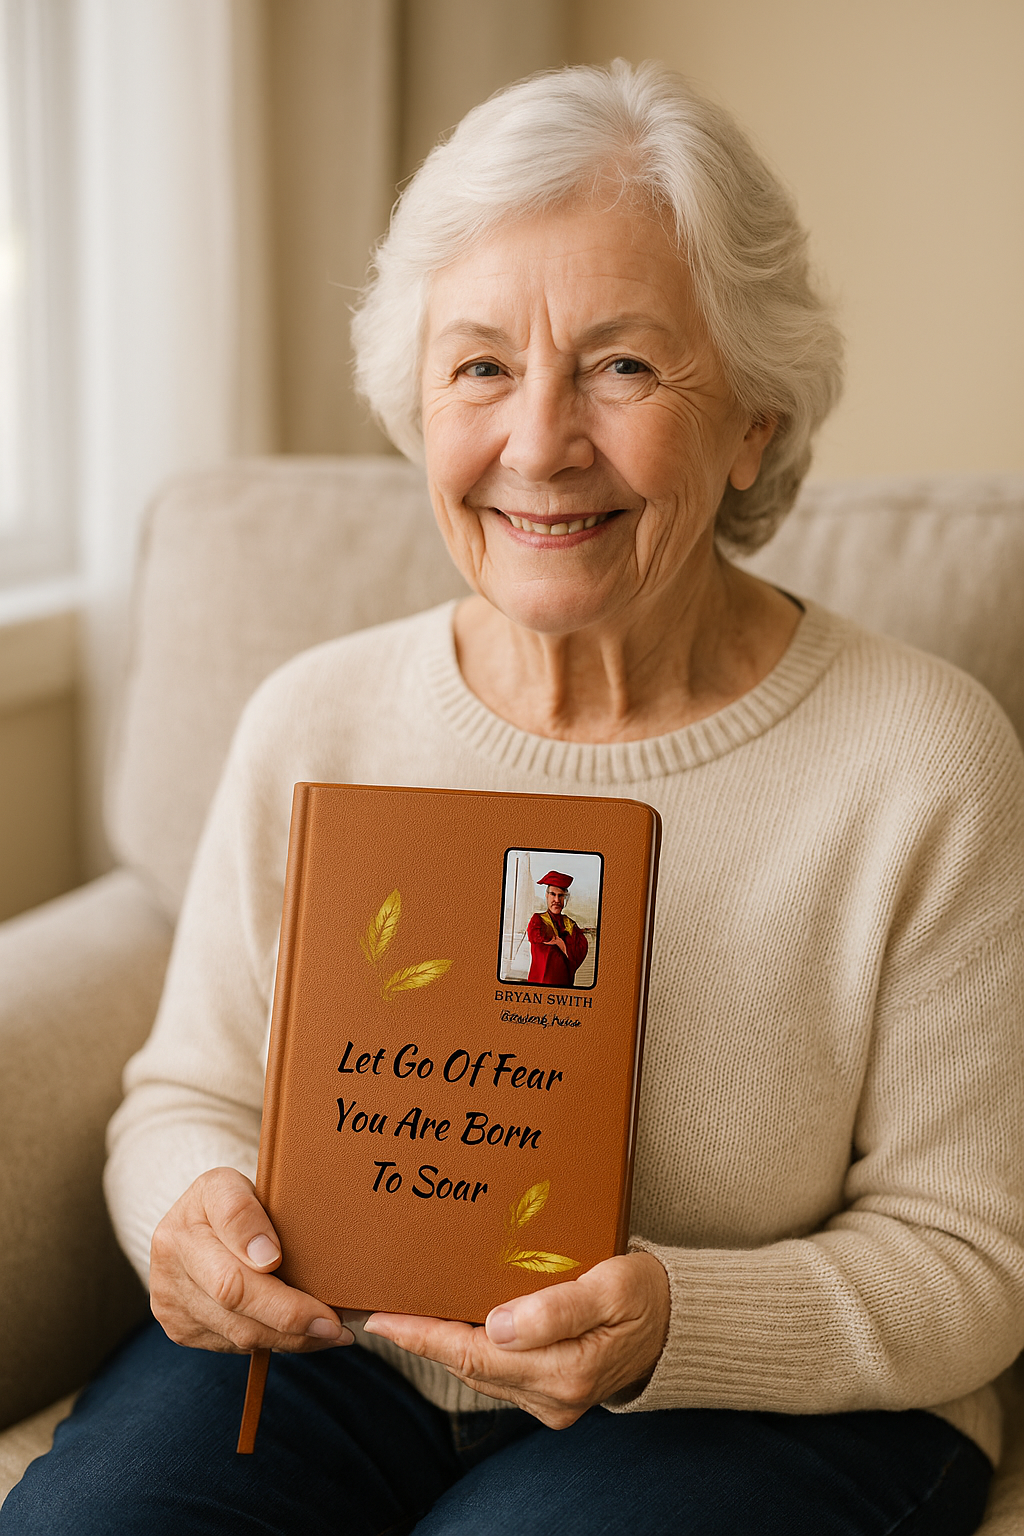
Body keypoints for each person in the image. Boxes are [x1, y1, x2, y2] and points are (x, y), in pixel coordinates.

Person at [4, 59, 1023, 1536]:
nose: (539, 443)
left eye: (621, 365)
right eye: (480, 365)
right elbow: (190, 1095)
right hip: (340, 1358)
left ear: (752, 418)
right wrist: (195, 1215)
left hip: (756, 1399)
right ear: (419, 405)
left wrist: (678, 1321)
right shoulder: (319, 717)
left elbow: (974, 1254)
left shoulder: (926, 758)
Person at [526, 872, 589, 986]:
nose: (556, 900)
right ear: (546, 895)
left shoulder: (570, 924)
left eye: (560, 896)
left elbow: (579, 952)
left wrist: (561, 944)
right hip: (539, 982)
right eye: (553, 894)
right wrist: (565, 945)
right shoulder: (537, 920)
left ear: (565, 898)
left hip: (564, 984)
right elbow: (539, 937)